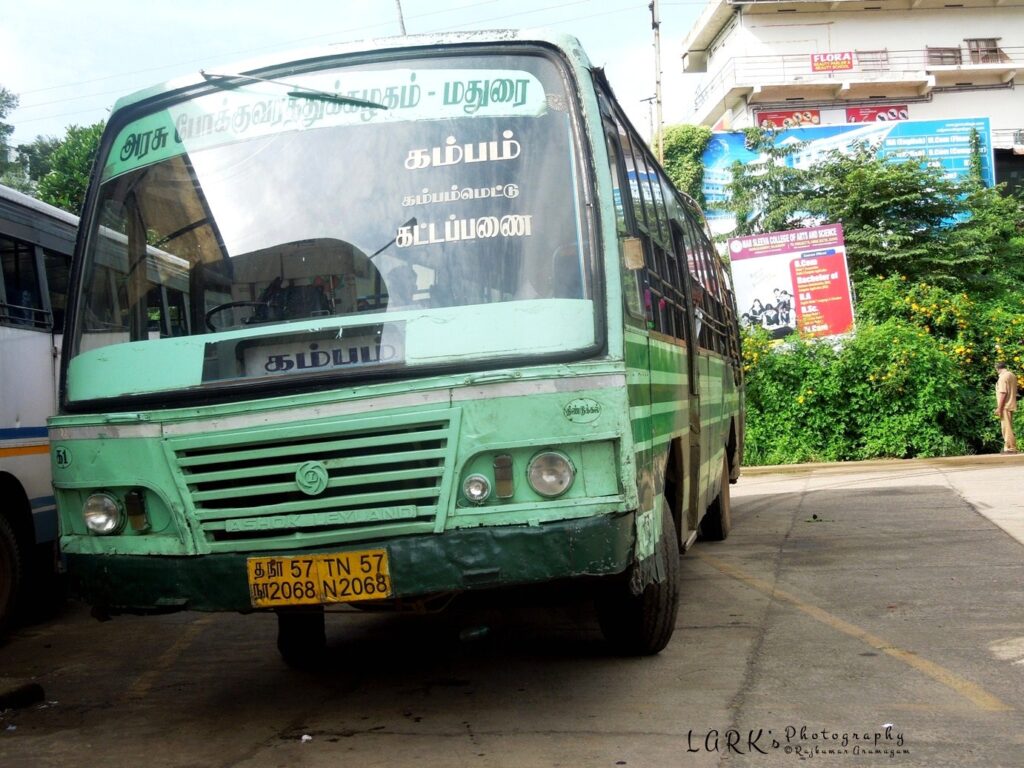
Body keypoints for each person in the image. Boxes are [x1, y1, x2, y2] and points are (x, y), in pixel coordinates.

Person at [994, 362, 1018, 454]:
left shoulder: (1002, 377)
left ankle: (1010, 448)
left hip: (1005, 406)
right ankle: (1008, 447)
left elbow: (1003, 393)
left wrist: (999, 408)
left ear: (998, 369)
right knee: (1008, 427)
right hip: (1011, 403)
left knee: (1006, 428)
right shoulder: (1012, 375)